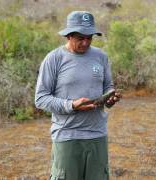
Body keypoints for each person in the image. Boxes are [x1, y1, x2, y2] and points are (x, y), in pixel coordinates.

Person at [35, 11, 121, 180]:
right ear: (69, 35)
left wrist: (110, 99)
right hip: (67, 135)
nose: (85, 42)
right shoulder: (54, 59)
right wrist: (72, 105)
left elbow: (108, 87)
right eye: (80, 38)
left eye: (89, 38)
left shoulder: (101, 57)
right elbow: (41, 98)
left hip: (97, 134)